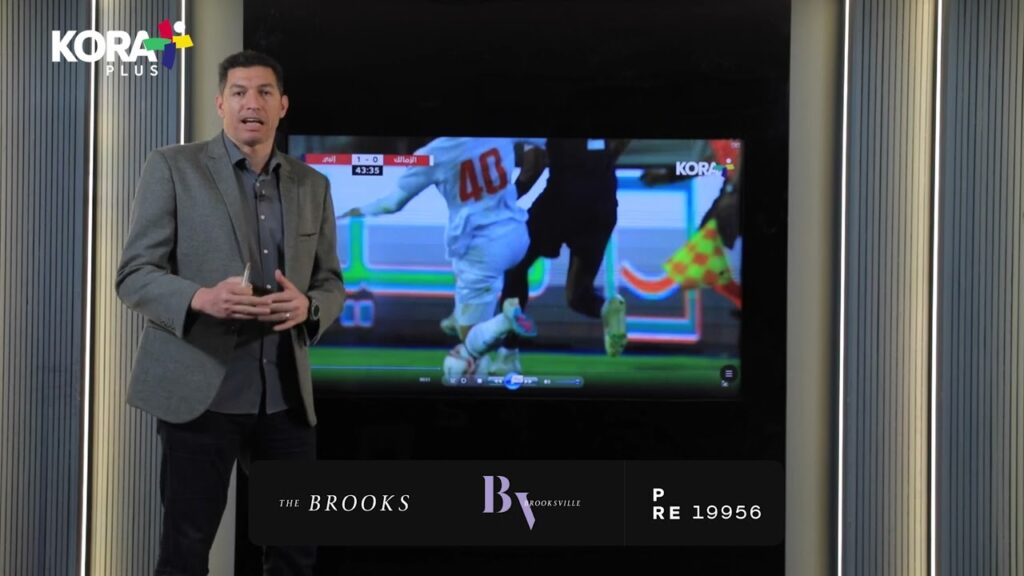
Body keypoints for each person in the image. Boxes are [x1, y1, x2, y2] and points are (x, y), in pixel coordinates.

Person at [116, 50, 344, 575]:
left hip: (284, 400)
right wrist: (201, 298)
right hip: (201, 398)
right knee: (186, 551)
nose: (251, 103)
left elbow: (330, 282)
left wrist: (309, 306)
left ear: (283, 105)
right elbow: (134, 275)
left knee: (295, 552)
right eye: (239, 92)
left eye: (264, 92)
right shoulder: (173, 167)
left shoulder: (313, 185)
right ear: (220, 104)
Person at [341, 137, 542, 376]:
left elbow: (392, 204)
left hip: (482, 248)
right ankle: (461, 316)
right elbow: (544, 144)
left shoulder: (435, 152)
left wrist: (356, 211)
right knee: (462, 268)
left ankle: (504, 321)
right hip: (517, 234)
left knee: (470, 338)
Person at [496, 138, 630, 374]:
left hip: (562, 201)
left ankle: (508, 353)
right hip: (603, 204)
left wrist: (506, 200)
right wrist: (601, 163)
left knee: (516, 264)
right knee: (578, 295)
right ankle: (605, 308)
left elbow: (533, 166)